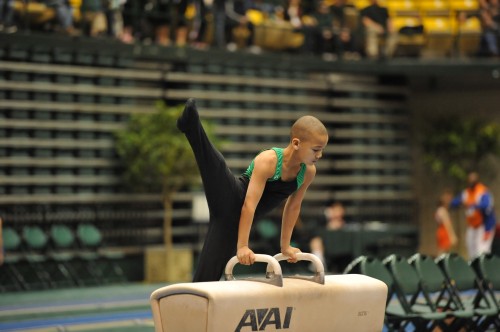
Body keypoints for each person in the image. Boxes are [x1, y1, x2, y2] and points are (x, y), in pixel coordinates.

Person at [177, 98, 328, 282]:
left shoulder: (307, 172)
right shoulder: (269, 161)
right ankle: (191, 124)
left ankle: (196, 307)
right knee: (216, 166)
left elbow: (293, 207)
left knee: (208, 275)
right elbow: (249, 205)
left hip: (234, 222)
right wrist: (243, 246)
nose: (319, 155)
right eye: (316, 149)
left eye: (322, 150)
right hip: (231, 197)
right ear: (296, 143)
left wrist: (285, 246)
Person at [450, 171, 497, 259]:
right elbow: (454, 203)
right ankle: (474, 271)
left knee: (482, 251)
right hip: (472, 225)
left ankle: (484, 270)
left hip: (484, 225)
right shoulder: (466, 193)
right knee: (471, 251)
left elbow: (487, 206)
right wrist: (459, 202)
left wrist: (473, 205)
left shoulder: (483, 192)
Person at [310, 201, 345, 269]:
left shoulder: (345, 220)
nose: (338, 212)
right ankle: (318, 264)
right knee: (316, 241)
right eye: (336, 210)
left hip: (340, 245)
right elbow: (314, 231)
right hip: (325, 244)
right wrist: (329, 226)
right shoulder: (322, 219)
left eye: (340, 210)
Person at [435, 189, 458, 255]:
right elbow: (447, 224)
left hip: (440, 232)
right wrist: (452, 236)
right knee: (443, 252)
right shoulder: (442, 210)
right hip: (444, 232)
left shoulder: (439, 210)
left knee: (443, 251)